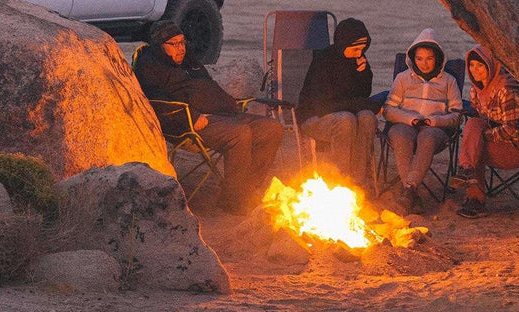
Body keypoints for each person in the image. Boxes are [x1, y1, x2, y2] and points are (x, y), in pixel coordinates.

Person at [134, 20, 285, 214]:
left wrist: (229, 103)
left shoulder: (189, 61)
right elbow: (155, 102)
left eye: (182, 42)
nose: (181, 48)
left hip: (224, 113)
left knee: (272, 128)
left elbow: (208, 87)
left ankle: (246, 190)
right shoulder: (150, 66)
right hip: (189, 122)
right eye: (174, 44)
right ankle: (234, 201)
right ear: (160, 45)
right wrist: (192, 116)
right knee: (239, 134)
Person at [382, 28, 462, 214]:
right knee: (401, 136)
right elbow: (388, 110)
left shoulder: (448, 81)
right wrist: (409, 119)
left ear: (438, 58)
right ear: (412, 58)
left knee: (427, 138)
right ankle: (411, 192)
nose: (424, 63)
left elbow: (457, 114)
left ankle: (408, 191)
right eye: (419, 59)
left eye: (429, 59)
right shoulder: (403, 78)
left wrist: (435, 121)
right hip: (404, 124)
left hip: (435, 129)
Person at [296, 17, 381, 189]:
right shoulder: (323, 61)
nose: (359, 53)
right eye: (355, 49)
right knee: (346, 120)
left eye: (362, 49)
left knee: (367, 117)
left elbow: (363, 94)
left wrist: (363, 74)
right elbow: (323, 106)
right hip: (314, 118)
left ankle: (357, 181)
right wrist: (363, 104)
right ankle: (341, 182)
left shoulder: (358, 59)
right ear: (343, 44)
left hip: (345, 115)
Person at [451, 45, 519, 218]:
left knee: (475, 146)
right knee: (473, 127)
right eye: (472, 65)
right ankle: (467, 170)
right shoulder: (477, 89)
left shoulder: (505, 89)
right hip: (496, 142)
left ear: (490, 66)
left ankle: (475, 199)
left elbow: (512, 130)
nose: (475, 70)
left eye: (480, 66)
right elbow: (480, 120)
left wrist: (484, 136)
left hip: (517, 148)